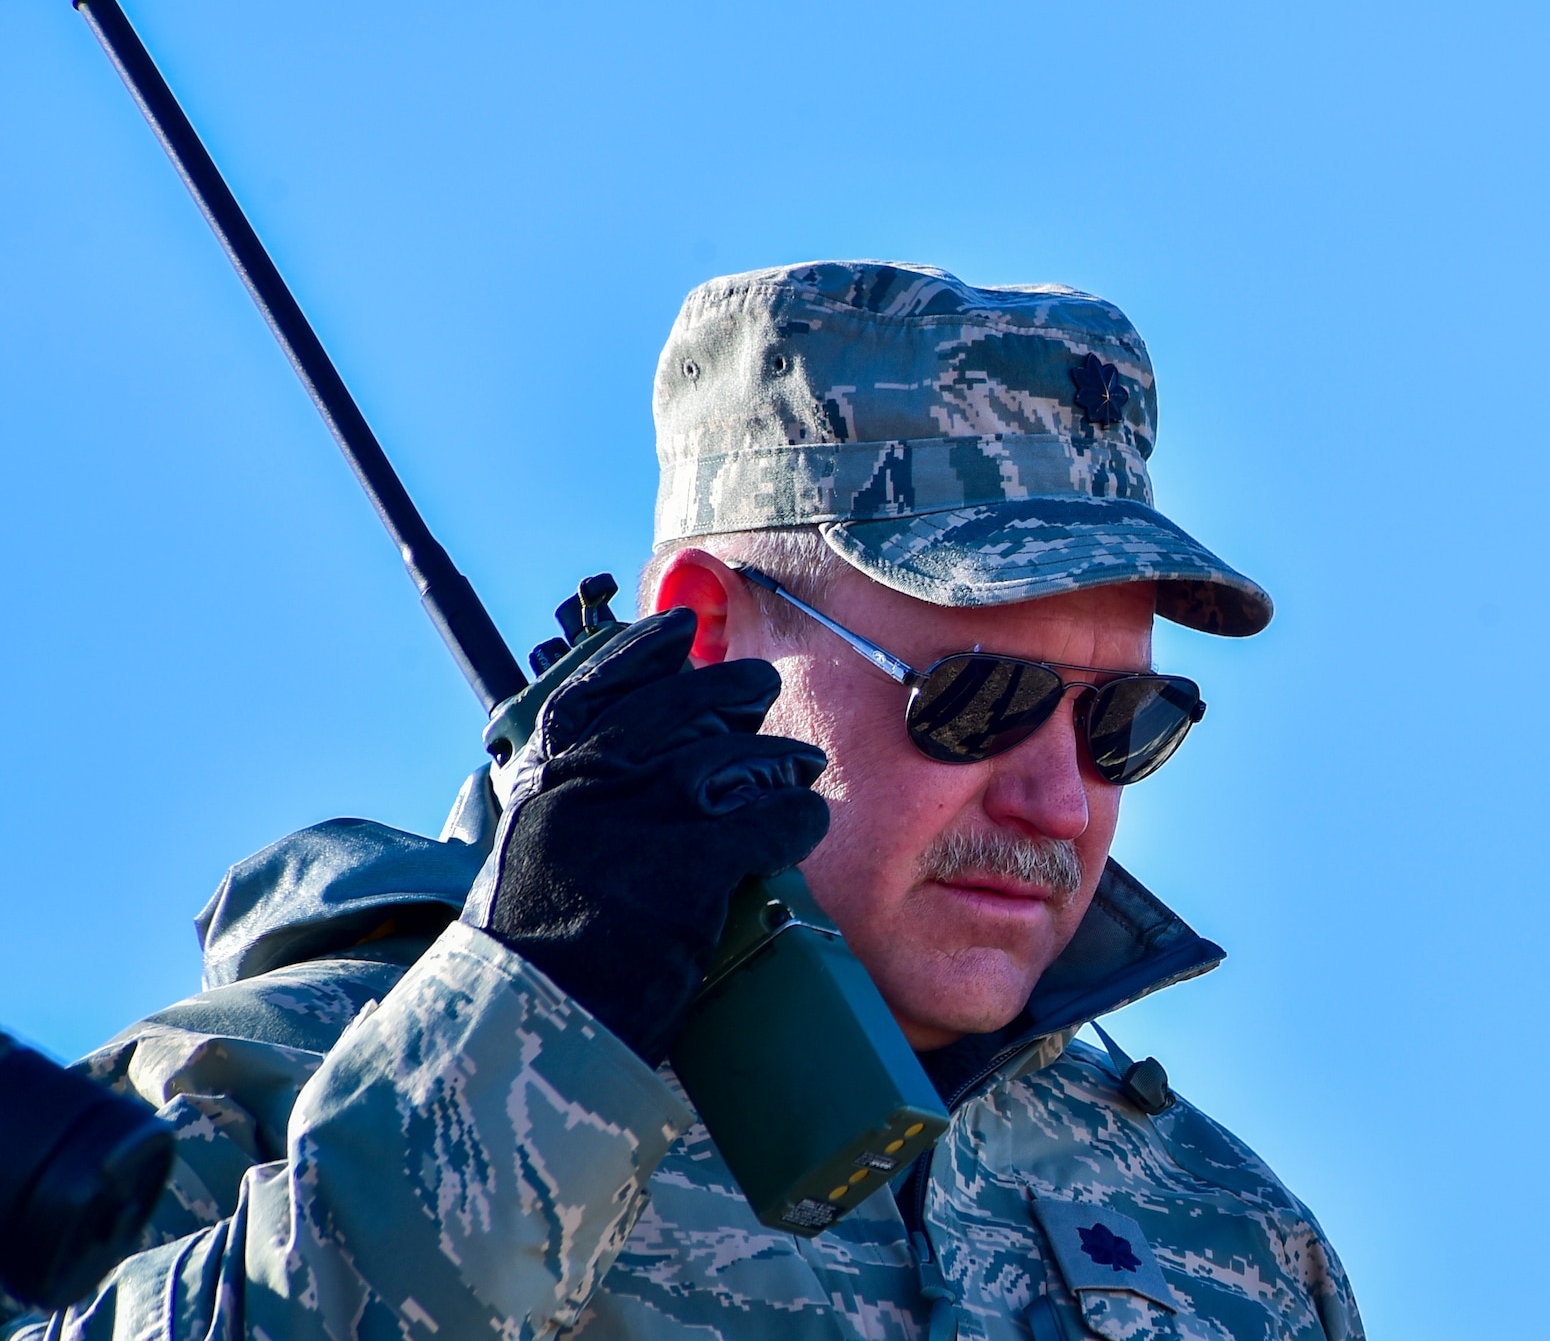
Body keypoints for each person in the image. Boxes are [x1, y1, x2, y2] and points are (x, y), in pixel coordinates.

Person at [7, 262, 1366, 1341]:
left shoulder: (1228, 1239)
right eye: (980, 701)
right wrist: (527, 1039)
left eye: (1124, 720)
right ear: (709, 638)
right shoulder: (285, 1090)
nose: (1060, 800)